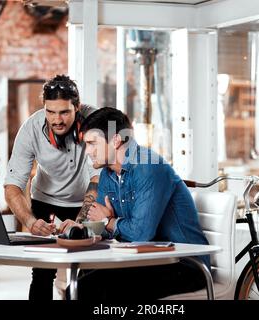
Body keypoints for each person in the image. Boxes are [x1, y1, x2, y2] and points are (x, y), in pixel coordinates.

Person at [65, 107, 210, 300]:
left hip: (184, 264)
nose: (88, 151)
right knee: (81, 278)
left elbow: (141, 233)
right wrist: (80, 229)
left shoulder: (149, 167)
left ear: (116, 140)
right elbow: (100, 225)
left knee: (86, 289)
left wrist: (108, 220)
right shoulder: (107, 174)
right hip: (143, 258)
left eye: (92, 143)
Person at [4, 75, 100, 300]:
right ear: (44, 108)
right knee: (42, 271)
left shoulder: (95, 121)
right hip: (45, 201)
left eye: (65, 112)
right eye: (51, 112)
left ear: (77, 107)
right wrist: (29, 222)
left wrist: (81, 221)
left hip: (86, 200)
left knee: (89, 267)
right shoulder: (30, 128)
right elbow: (12, 186)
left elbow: (98, 180)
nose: (57, 119)